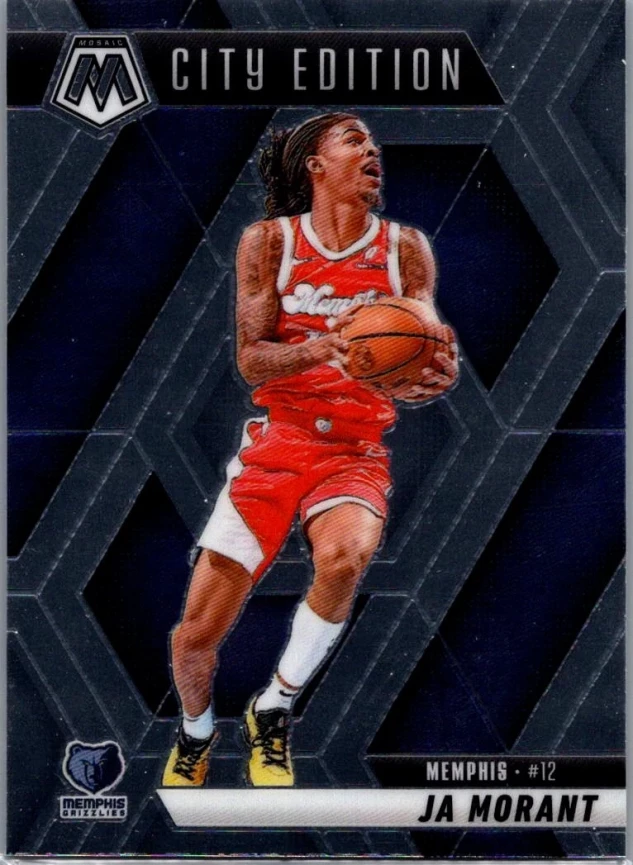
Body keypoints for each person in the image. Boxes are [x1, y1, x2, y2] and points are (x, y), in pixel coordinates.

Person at [162, 112, 459, 788]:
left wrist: (435, 374)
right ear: (314, 165)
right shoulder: (269, 242)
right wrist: (324, 347)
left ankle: (274, 707)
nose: (373, 150)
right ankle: (196, 732)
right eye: (354, 141)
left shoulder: (406, 248)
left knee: (345, 557)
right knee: (194, 638)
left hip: (353, 449)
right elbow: (251, 359)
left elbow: (426, 348)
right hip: (279, 444)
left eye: (373, 142)